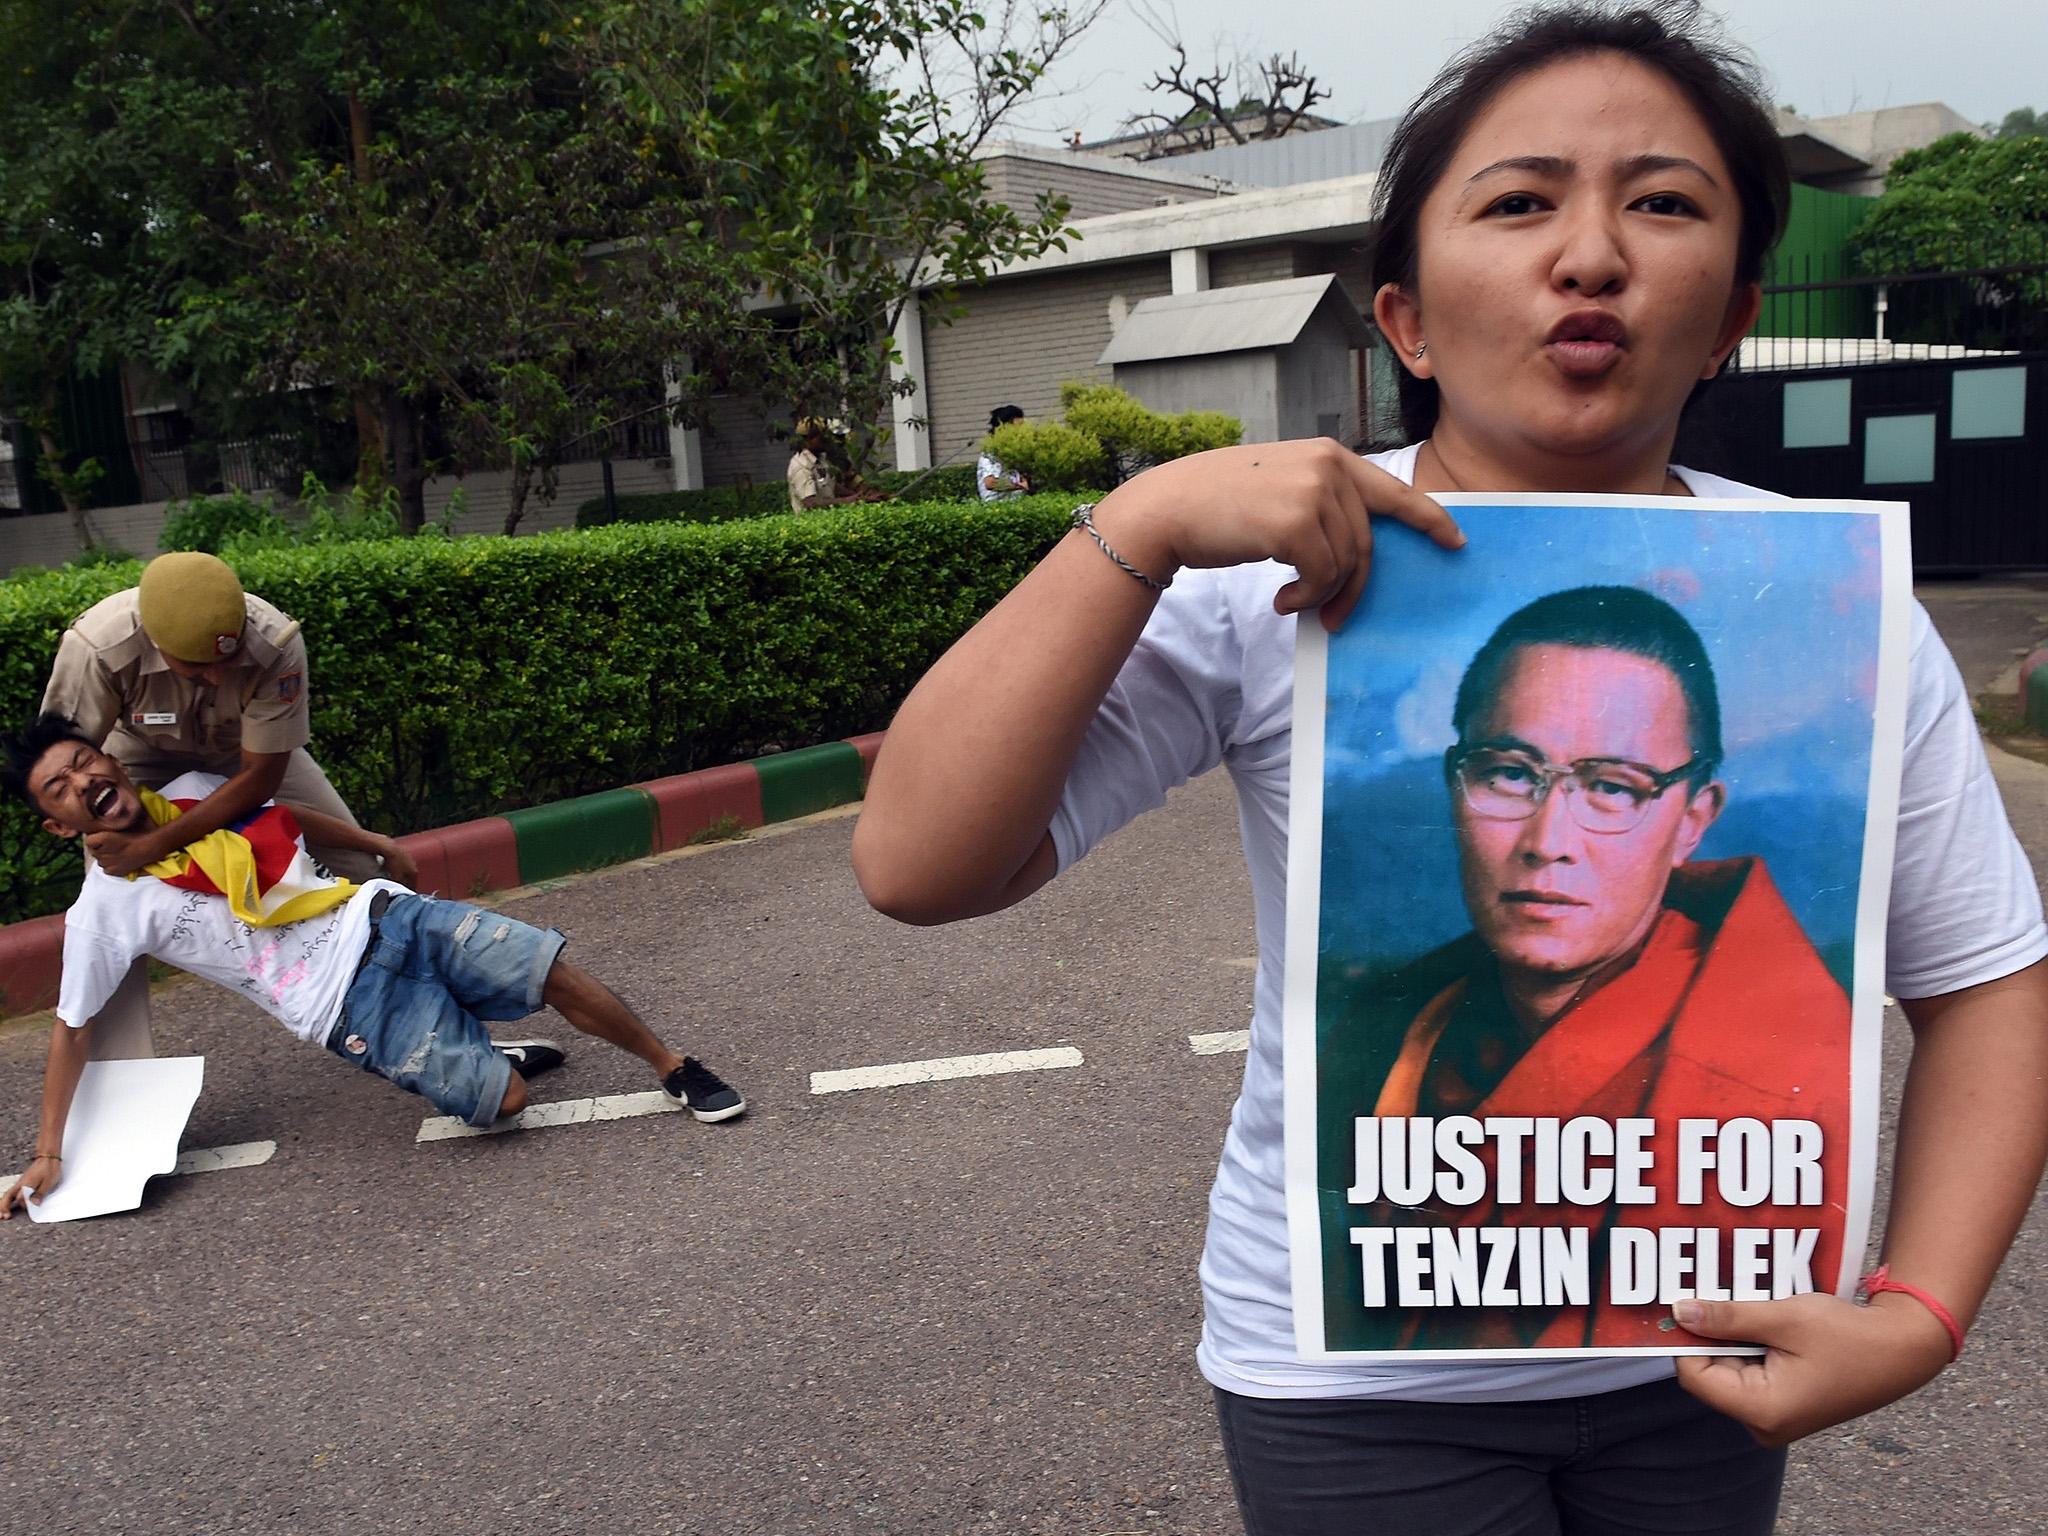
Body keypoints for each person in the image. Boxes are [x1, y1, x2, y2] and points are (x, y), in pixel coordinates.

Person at [851, 5, 2048, 1532]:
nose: (1594, 255)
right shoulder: (1267, 574)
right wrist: (1140, 528)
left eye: (1663, 202)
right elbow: (918, 864)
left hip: (1707, 1368)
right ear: (1405, 319)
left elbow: (1989, 977)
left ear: (1734, 312)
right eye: (1521, 200)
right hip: (1357, 1397)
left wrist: (1921, 1315)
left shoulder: (1832, 596)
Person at [1327, 584, 1849, 1352]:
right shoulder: (1388, 1030)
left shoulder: (1776, 1073)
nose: (1548, 839)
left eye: (1612, 788)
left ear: (1692, 820)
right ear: (1454, 783)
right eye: (1508, 772)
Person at [0, 715, 745, 1217]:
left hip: (378, 914)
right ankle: (488, 1053)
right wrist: (46, 1153)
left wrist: (375, 841)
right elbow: (71, 1030)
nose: (80, 782)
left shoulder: (193, 797)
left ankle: (674, 1065)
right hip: (346, 1010)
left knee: (544, 968)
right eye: (58, 790)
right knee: (506, 1102)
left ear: (108, 759)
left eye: (80, 762)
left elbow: (280, 821)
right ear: (59, 824)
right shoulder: (102, 913)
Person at [40, 551, 384, 882]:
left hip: (245, 753)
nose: (218, 676)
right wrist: (129, 845)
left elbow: (260, 776)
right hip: (137, 754)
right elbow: (63, 764)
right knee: (119, 888)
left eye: (231, 661)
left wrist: (155, 844)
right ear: (156, 642)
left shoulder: (275, 641)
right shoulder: (97, 648)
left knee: (359, 870)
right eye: (197, 666)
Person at [787, 418, 885, 512]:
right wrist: (850, 500)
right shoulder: (801, 466)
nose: (831, 441)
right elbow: (810, 502)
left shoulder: (822, 459)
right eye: (824, 438)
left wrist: (863, 497)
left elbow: (831, 485)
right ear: (810, 439)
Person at [977, 405, 1032, 502]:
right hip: (999, 508)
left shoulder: (1016, 451)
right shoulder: (991, 452)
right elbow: (990, 483)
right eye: (1017, 427)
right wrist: (1018, 485)